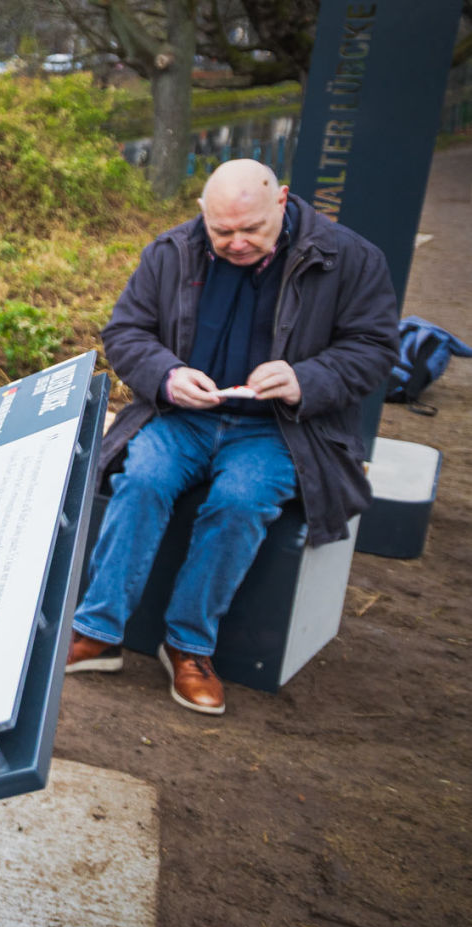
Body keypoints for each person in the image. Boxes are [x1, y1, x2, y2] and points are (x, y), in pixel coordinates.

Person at [67, 158, 398, 715]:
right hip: (181, 417)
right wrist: (167, 376)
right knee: (141, 479)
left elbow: (375, 348)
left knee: (240, 502)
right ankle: (98, 630)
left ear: (283, 201)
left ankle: (189, 646)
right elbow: (125, 331)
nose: (237, 242)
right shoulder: (170, 251)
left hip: (282, 428)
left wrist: (304, 380)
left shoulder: (351, 258)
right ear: (203, 214)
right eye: (223, 231)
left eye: (252, 230)